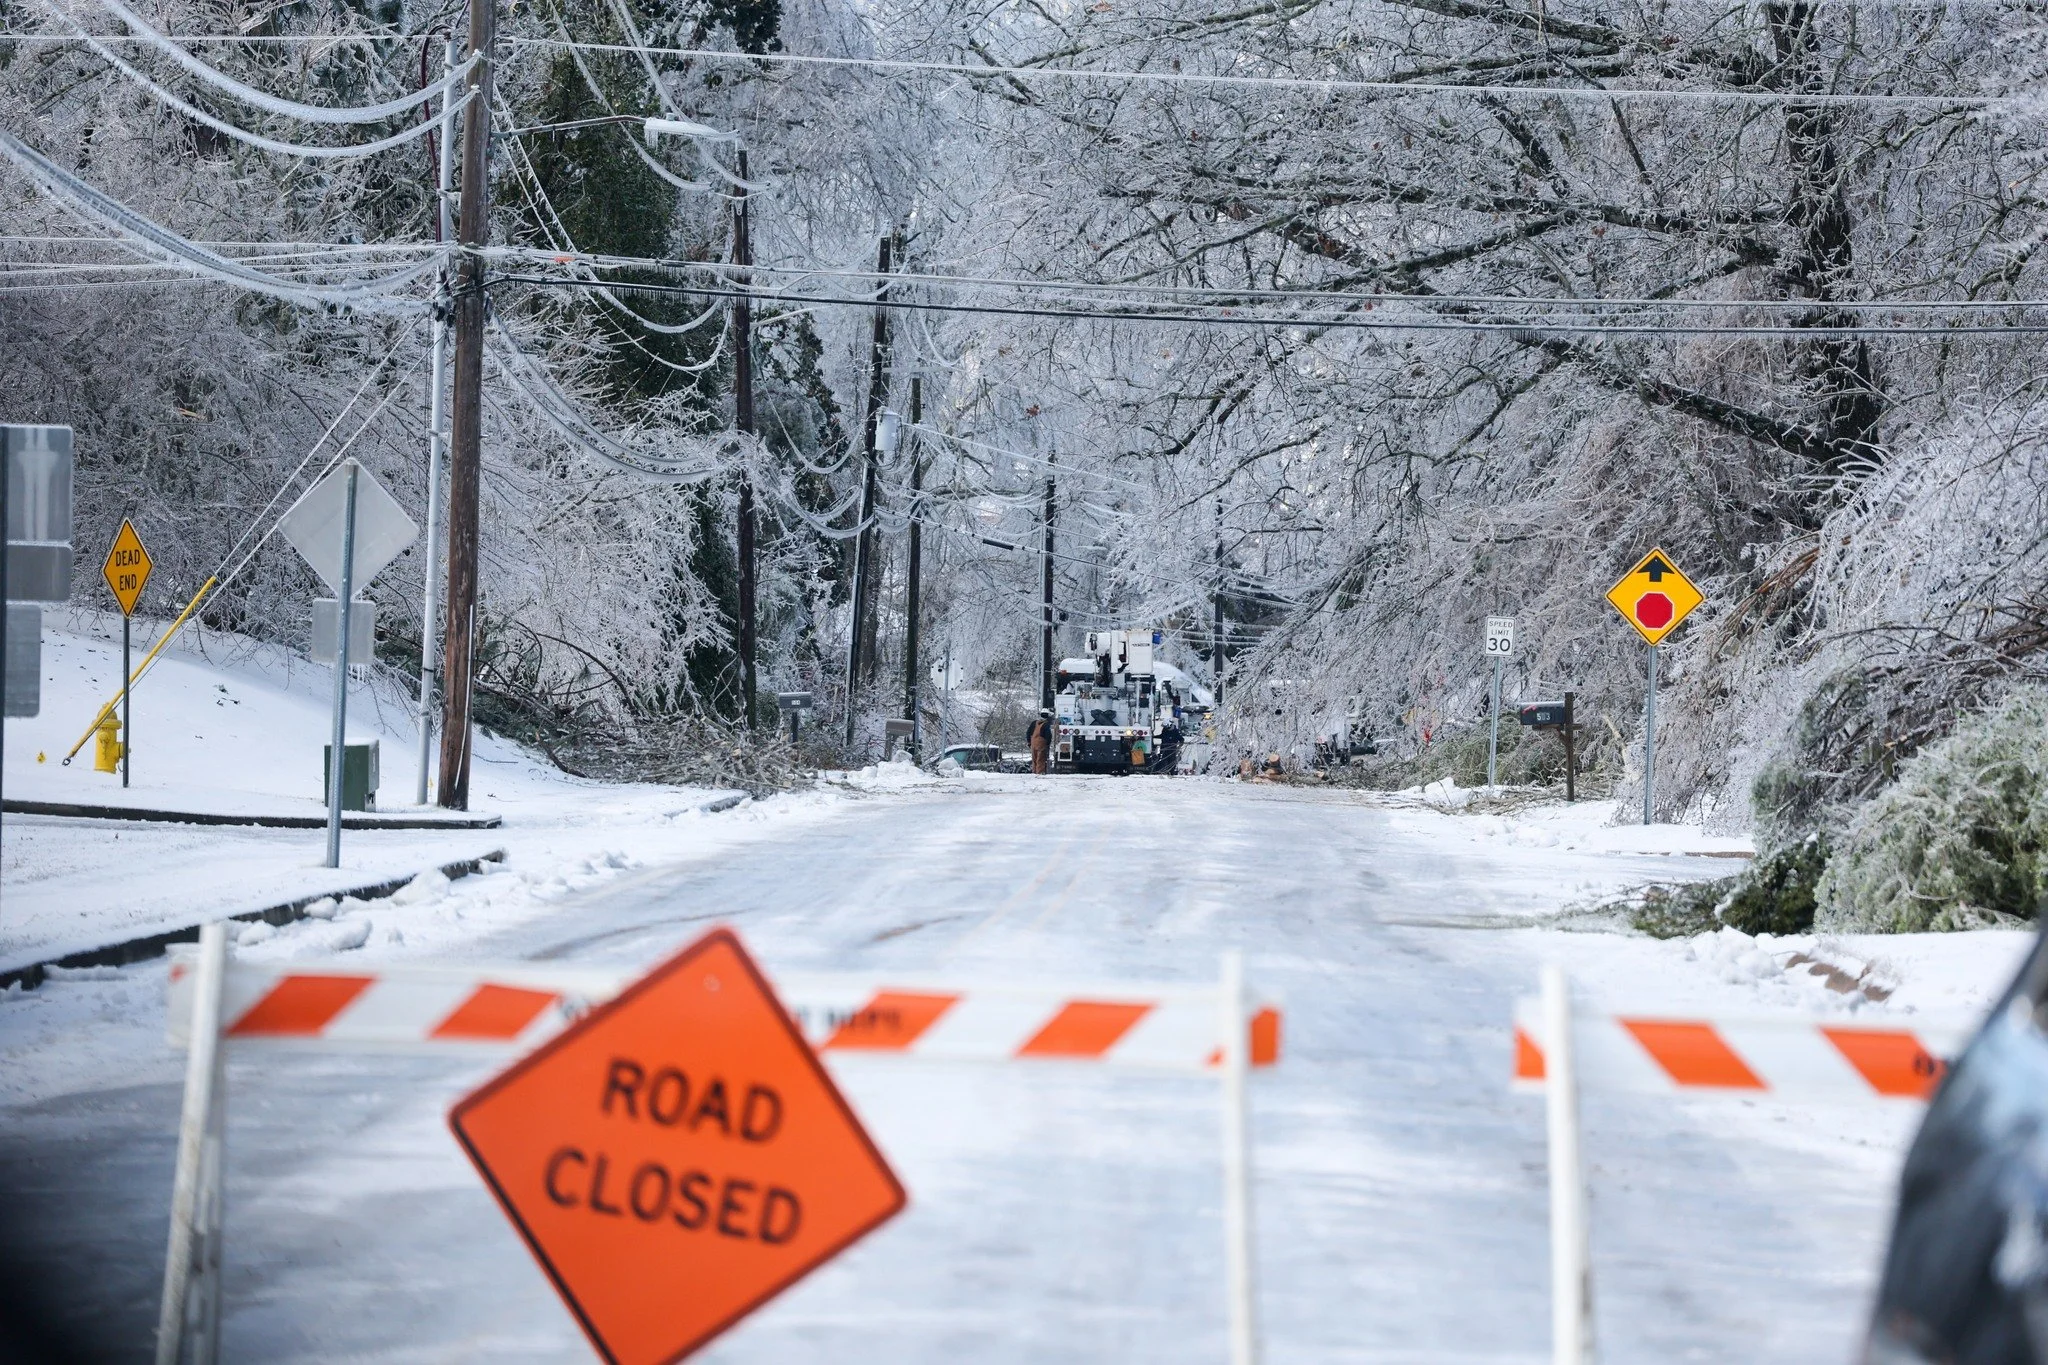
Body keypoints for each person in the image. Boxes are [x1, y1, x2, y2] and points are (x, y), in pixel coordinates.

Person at [1027, 708, 1055, 774]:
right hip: (1041, 745)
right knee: (1041, 759)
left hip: (1033, 744)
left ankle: (1034, 772)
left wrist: (1029, 742)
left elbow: (1028, 733)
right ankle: (1040, 773)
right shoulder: (1046, 725)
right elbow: (1048, 736)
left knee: (1034, 760)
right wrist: (1048, 744)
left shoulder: (1034, 723)